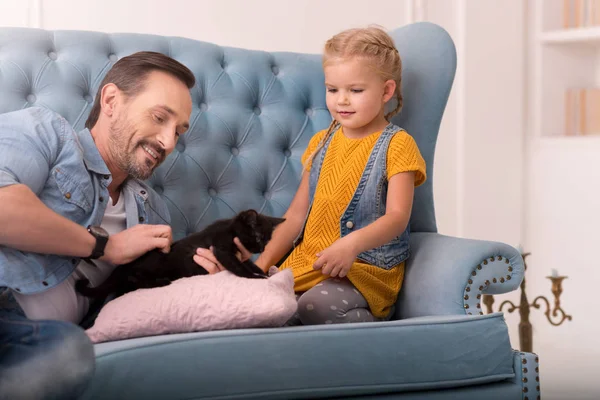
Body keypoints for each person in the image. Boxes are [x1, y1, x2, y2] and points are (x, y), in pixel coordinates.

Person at [0, 51, 249, 399]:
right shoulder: (46, 133)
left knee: (69, 354)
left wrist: (205, 279)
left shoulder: (153, 215)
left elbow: (147, 300)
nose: (168, 142)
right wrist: (106, 247)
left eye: (178, 131)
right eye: (160, 118)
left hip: (54, 342)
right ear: (112, 101)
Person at [250, 26, 427, 325]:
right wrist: (259, 267)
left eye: (355, 91)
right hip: (310, 265)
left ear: (386, 91)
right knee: (266, 310)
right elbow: (295, 217)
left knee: (314, 308)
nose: (341, 100)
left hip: (363, 270)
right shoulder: (322, 142)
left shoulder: (397, 144)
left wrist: (351, 245)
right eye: (333, 90)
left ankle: (370, 332)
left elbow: (397, 217)